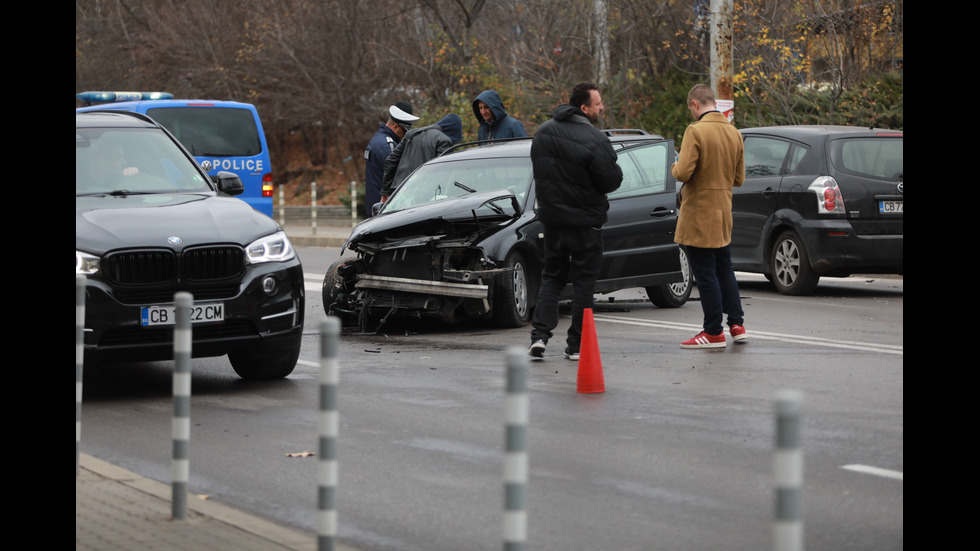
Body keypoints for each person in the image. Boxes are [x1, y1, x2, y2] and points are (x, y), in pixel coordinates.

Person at [527, 82, 623, 361]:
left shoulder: (543, 133)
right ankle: (576, 346)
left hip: (553, 221)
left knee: (552, 277)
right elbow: (612, 180)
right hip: (586, 224)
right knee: (584, 284)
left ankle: (540, 338)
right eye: (598, 103)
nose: (602, 107)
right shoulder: (594, 139)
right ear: (584, 108)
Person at [670, 84, 748, 348]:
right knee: (725, 268)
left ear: (694, 104)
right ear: (712, 102)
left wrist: (673, 166)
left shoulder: (696, 131)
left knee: (704, 274)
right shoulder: (733, 133)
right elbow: (739, 179)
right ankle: (737, 325)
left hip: (699, 211)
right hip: (723, 211)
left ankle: (713, 331)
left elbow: (682, 173)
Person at [380, 113, 463, 199]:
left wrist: (385, 192)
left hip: (399, 191)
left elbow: (391, 161)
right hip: (423, 195)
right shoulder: (444, 140)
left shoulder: (412, 133)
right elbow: (442, 172)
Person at [363, 102, 419, 217]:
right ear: (395, 126)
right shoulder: (387, 145)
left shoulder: (379, 139)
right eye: (405, 130)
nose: (405, 135)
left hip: (377, 205)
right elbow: (397, 176)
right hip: (383, 208)